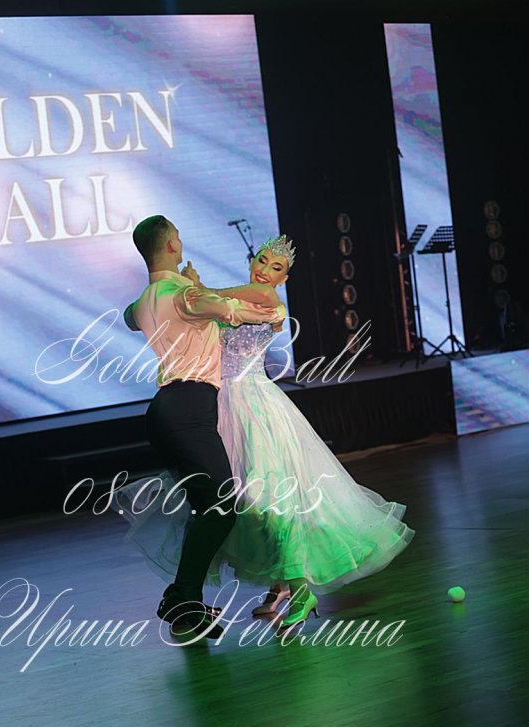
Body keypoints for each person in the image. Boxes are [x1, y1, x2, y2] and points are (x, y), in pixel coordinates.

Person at [119, 233, 415, 634]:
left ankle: (297, 588)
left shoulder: (267, 299)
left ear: (284, 278)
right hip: (221, 406)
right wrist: (193, 291)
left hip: (254, 405)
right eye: (262, 260)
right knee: (240, 501)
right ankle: (278, 585)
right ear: (252, 260)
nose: (264, 270)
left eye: (276, 268)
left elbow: (223, 301)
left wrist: (194, 287)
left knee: (267, 496)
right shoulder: (227, 299)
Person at [123, 215, 284, 639]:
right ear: (171, 247)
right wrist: (269, 308)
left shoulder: (146, 300)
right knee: (221, 506)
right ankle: (181, 599)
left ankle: (185, 604)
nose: (180, 241)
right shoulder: (185, 295)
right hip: (188, 409)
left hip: (166, 411)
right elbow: (236, 309)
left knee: (209, 508)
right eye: (178, 236)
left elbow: (128, 317)